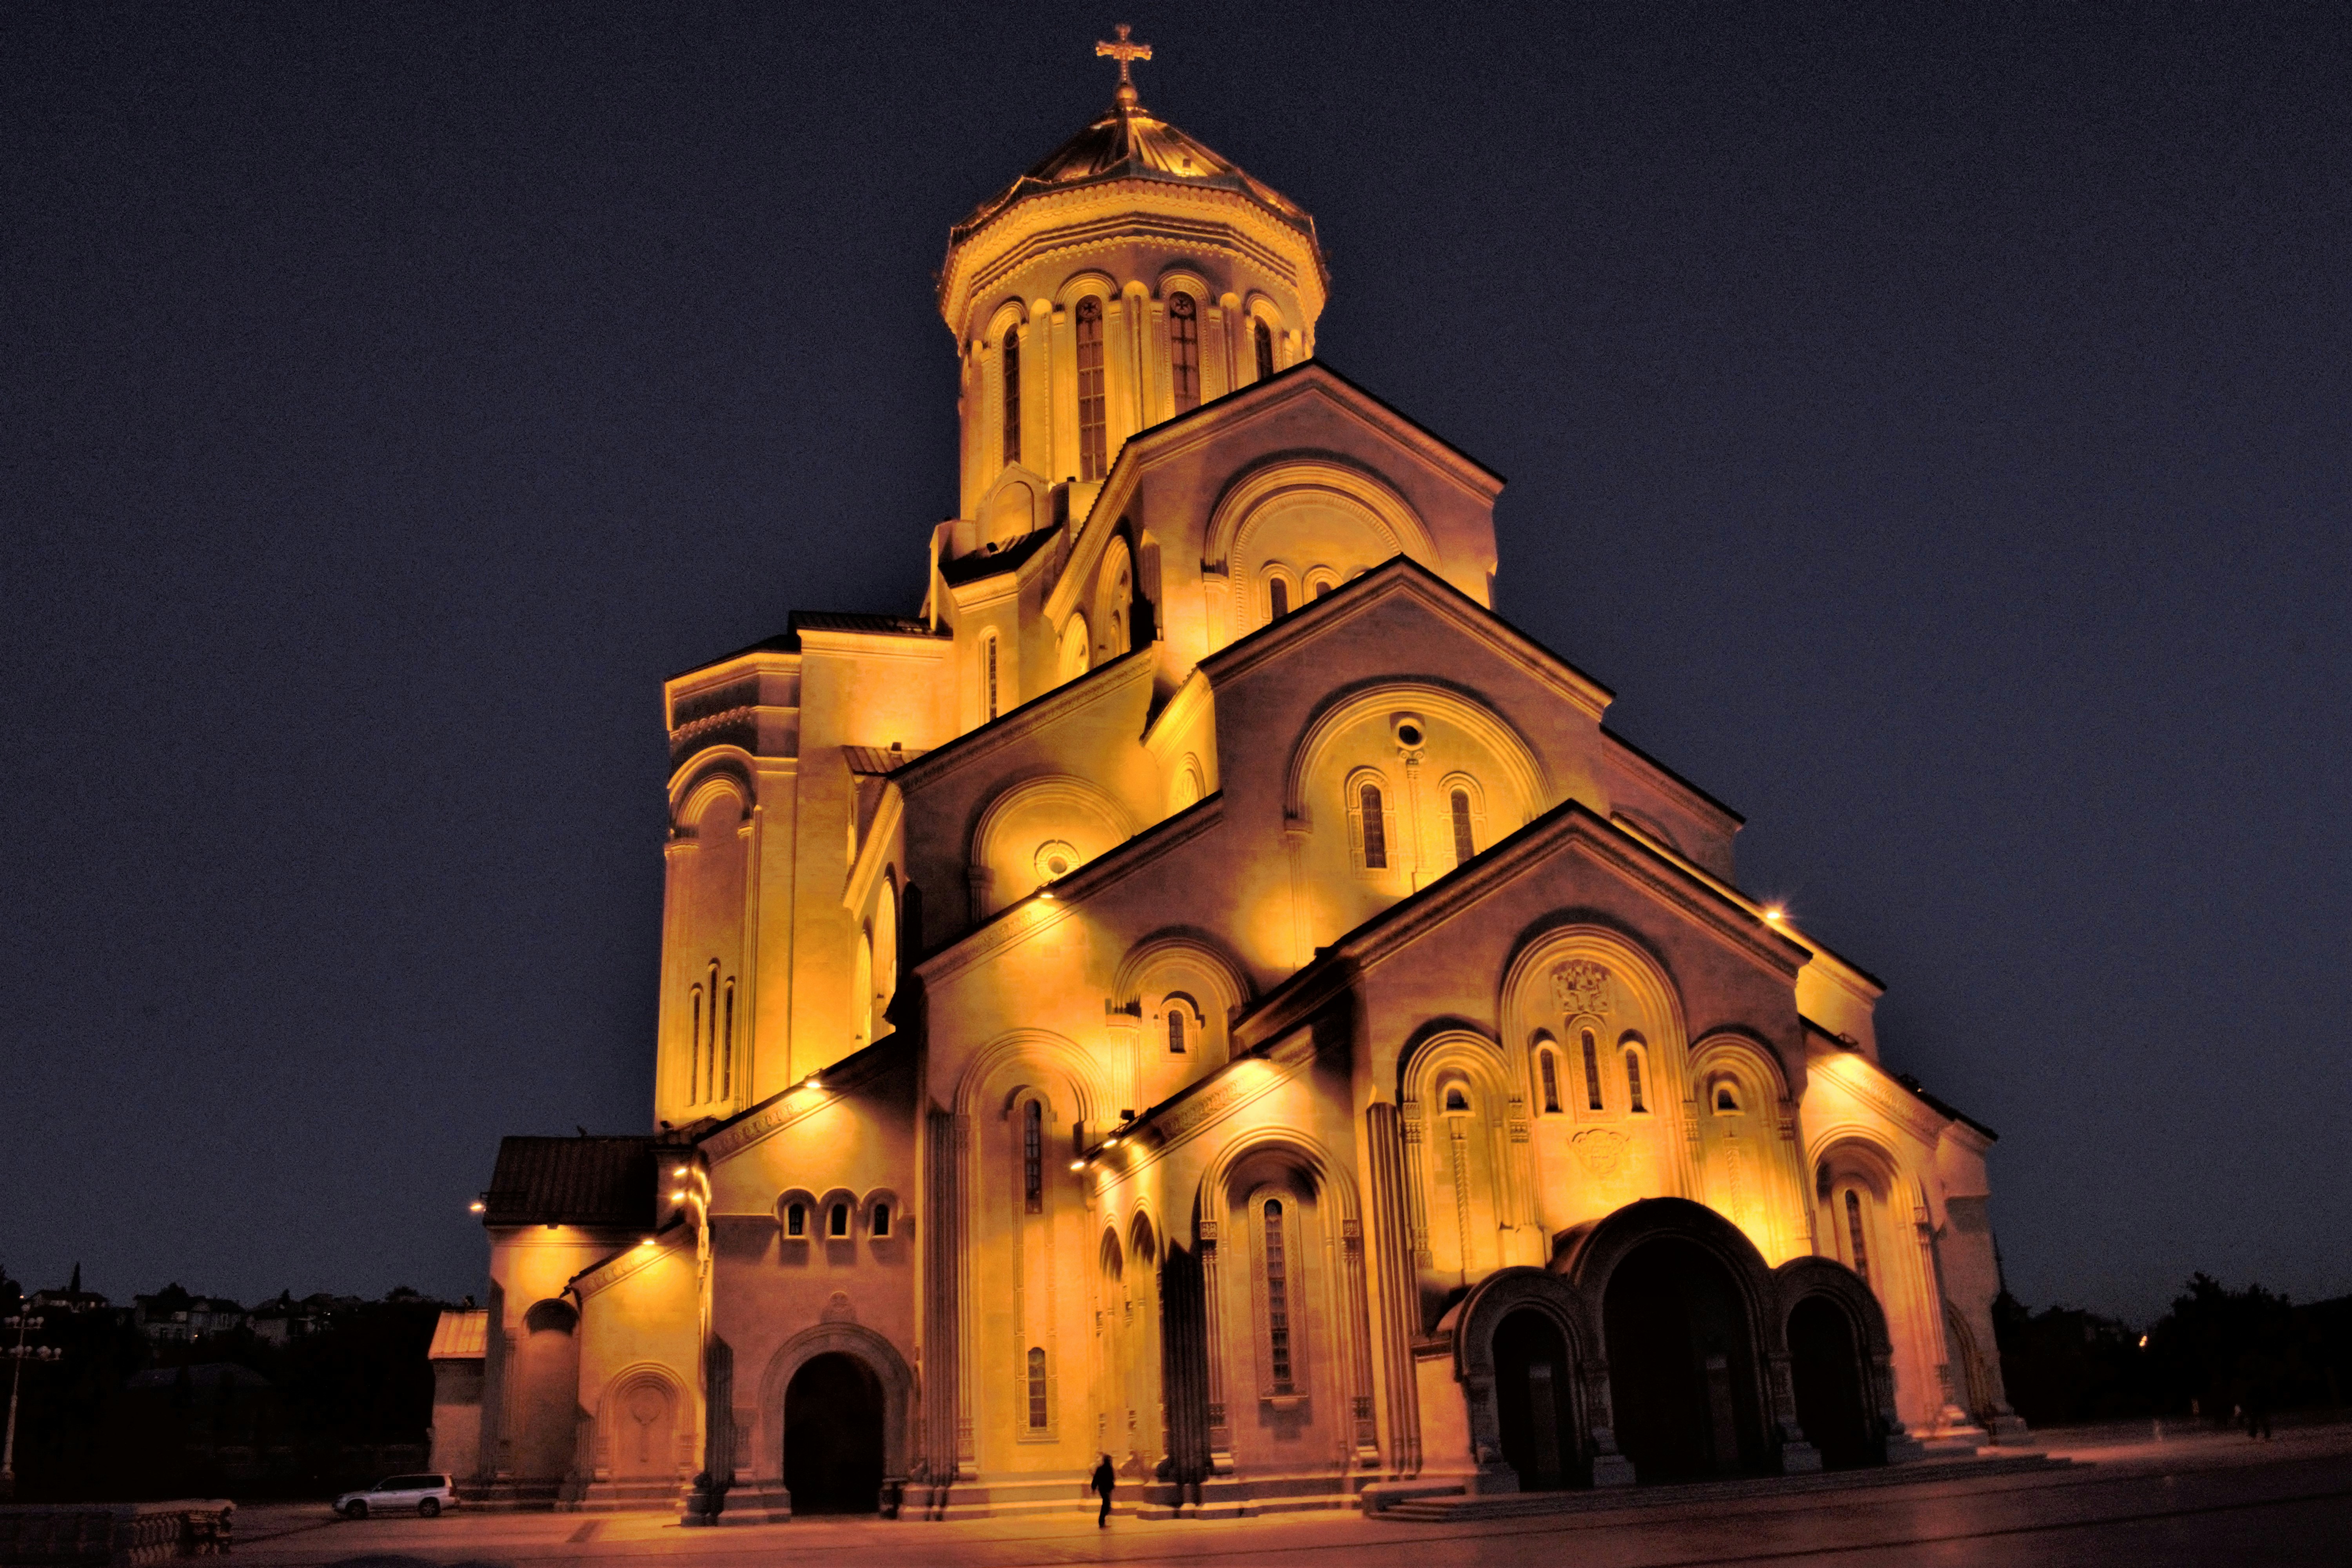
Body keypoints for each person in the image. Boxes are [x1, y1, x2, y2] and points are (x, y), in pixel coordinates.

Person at [1092, 1453, 1116, 1527]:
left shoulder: (1101, 1469)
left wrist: (1094, 1488)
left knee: (1106, 1504)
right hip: (1106, 1489)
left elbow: (1096, 1479)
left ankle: (1102, 1521)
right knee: (1107, 1504)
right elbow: (1112, 1479)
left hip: (1103, 1489)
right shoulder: (1110, 1469)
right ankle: (1101, 1521)